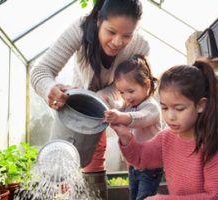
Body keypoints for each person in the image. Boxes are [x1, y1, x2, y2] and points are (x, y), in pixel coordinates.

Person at [30, 0, 149, 199]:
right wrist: (50, 89)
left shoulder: (140, 46)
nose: (118, 42)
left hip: (118, 106)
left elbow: (132, 85)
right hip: (80, 107)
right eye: (111, 32)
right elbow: (41, 71)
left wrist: (103, 97)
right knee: (90, 155)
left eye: (127, 35)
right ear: (98, 20)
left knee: (133, 151)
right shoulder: (80, 30)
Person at [110, 58, 218, 199]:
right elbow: (140, 158)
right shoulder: (166, 138)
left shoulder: (212, 145)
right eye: (164, 107)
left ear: (200, 105)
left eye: (179, 108)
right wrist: (126, 137)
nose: (170, 116)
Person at [104, 55, 163, 200]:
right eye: (122, 92)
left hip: (150, 167)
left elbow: (140, 119)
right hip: (134, 165)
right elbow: (119, 106)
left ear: (147, 85)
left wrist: (119, 116)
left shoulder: (151, 107)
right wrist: (109, 103)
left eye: (131, 91)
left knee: (144, 198)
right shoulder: (129, 104)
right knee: (134, 196)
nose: (126, 97)